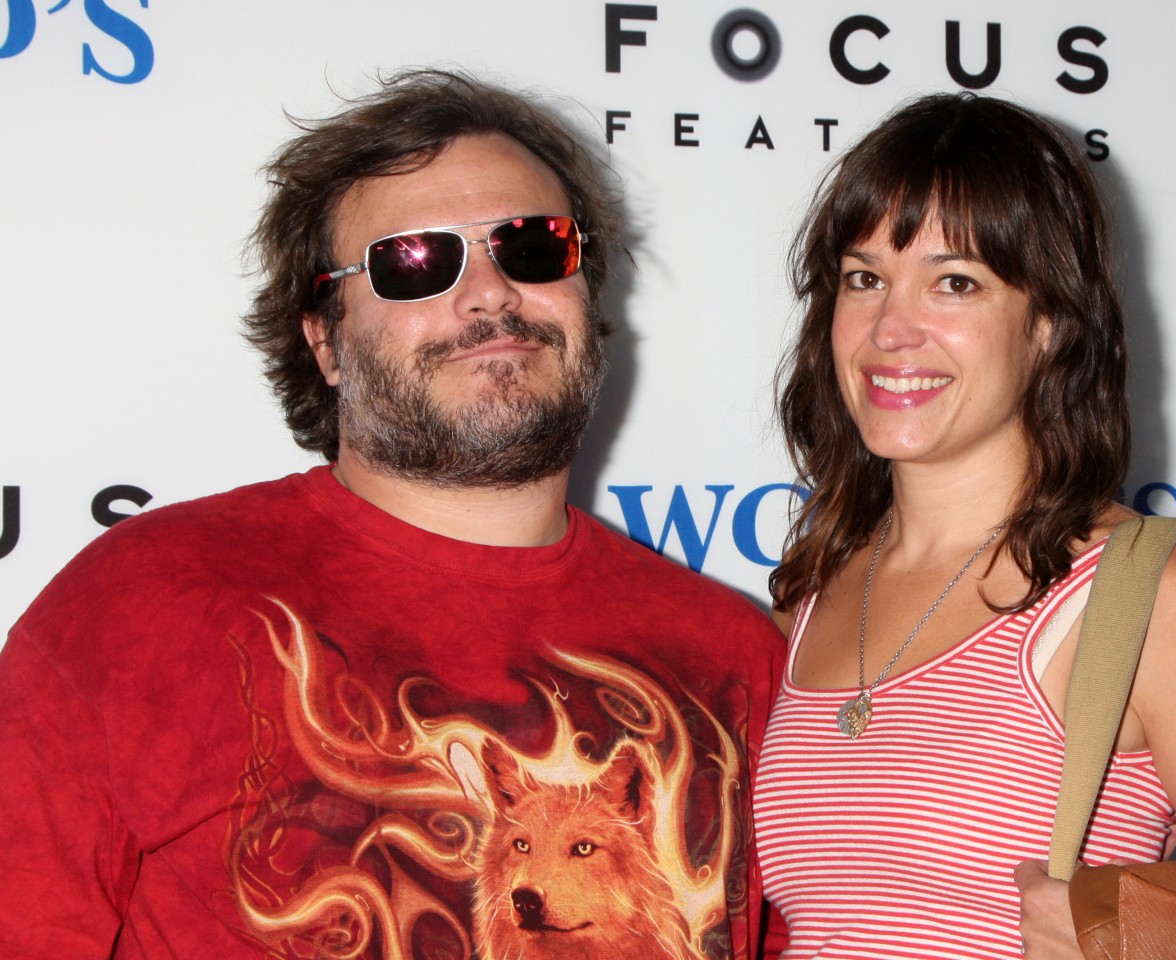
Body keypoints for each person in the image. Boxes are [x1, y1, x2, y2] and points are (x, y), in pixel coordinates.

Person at [0, 69, 783, 960]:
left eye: (533, 247)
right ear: (325, 342)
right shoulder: (141, 603)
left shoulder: (734, 654)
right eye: (415, 261)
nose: (490, 293)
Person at [751, 92, 1176, 959]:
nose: (890, 330)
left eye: (955, 283)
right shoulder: (808, 595)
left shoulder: (1156, 596)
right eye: (864, 278)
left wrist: (1132, 942)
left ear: (1051, 326)